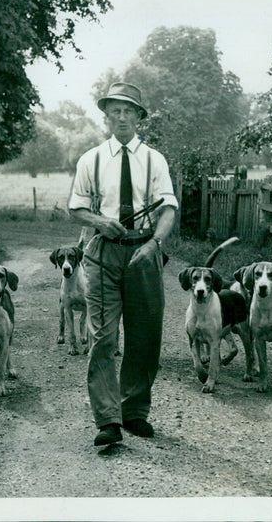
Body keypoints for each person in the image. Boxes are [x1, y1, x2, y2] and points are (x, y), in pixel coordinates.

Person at [68, 82, 177, 446]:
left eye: (129, 110)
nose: (122, 116)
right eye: (115, 109)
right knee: (103, 336)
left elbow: (168, 208)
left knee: (145, 336)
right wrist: (100, 222)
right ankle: (108, 420)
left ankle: (134, 412)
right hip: (102, 253)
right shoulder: (92, 159)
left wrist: (155, 242)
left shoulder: (154, 159)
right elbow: (76, 207)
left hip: (144, 252)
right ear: (106, 115)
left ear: (139, 117)